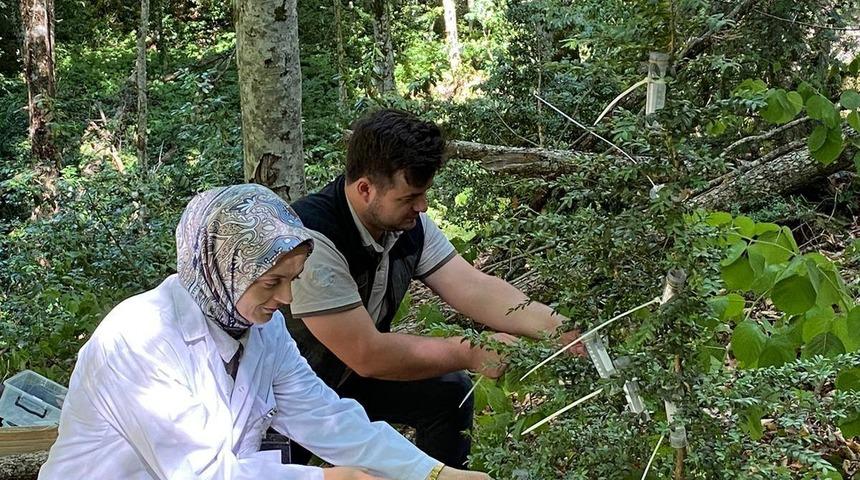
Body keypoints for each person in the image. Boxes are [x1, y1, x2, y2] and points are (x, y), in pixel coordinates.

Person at [39, 184, 491, 480]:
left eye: (292, 279)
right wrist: (329, 477)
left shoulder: (259, 330)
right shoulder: (140, 338)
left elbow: (326, 417)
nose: (287, 299)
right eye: (271, 282)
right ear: (222, 269)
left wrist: (431, 473)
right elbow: (201, 473)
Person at [284, 109, 586, 468]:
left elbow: (473, 287)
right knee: (279, 467)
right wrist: (472, 351)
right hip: (288, 391)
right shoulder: (312, 239)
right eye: (410, 197)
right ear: (365, 188)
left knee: (448, 392)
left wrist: (560, 328)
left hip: (349, 379)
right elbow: (367, 353)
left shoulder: (410, 226)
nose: (423, 207)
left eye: (425, 193)